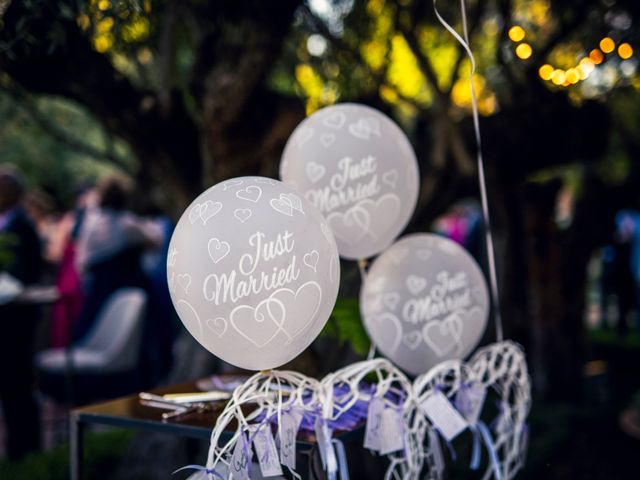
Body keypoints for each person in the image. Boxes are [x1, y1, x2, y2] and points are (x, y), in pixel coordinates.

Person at [73, 176, 162, 342]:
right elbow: (156, 240)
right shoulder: (126, 224)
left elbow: (82, 262)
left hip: (97, 293)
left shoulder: (91, 223)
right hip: (125, 291)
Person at [0, 166, 43, 460]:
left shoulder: (24, 227)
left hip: (16, 317)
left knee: (18, 382)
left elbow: (28, 271)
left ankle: (26, 447)